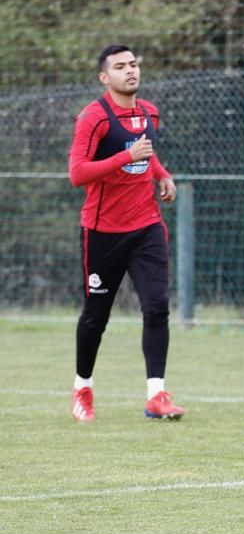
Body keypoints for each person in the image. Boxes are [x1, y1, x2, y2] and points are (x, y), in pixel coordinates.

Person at [68, 45, 185, 422]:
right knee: (95, 317)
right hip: (103, 232)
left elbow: (146, 154)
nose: (130, 71)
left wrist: (162, 174)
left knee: (156, 307)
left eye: (133, 64)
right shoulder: (93, 118)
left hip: (147, 227)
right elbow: (78, 173)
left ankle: (157, 395)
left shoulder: (149, 111)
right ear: (105, 77)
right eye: (120, 67)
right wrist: (125, 158)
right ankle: (82, 387)